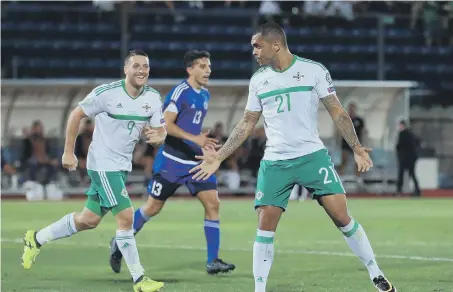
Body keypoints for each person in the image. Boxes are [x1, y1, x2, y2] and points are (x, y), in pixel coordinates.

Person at [190, 23, 396, 292]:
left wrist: (356, 147)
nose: (253, 51)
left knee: (342, 217)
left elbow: (338, 113)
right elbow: (246, 123)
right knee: (265, 224)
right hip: (276, 162)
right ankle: (259, 289)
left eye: (257, 45)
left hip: (312, 157)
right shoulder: (259, 80)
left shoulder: (313, 71)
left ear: (275, 45)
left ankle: (375, 273)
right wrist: (220, 155)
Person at [21, 50, 166, 292]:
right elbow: (76, 114)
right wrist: (68, 151)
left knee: (87, 220)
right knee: (126, 217)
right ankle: (140, 280)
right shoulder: (106, 93)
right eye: (137, 66)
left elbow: (160, 132)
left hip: (121, 166)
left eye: (146, 66)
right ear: (126, 69)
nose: (142, 70)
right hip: (102, 163)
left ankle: (35, 239)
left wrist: (158, 138)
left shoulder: (152, 98)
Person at [108, 50, 236, 275]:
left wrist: (202, 145)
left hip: (195, 162)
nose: (208, 70)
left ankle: (213, 260)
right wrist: (195, 138)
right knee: (152, 208)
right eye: (203, 66)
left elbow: (192, 128)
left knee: (213, 204)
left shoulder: (204, 94)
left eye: (209, 66)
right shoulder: (181, 92)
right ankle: (119, 241)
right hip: (172, 162)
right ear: (190, 69)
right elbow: (166, 125)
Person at [338, 102, 365, 182]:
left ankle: (357, 178)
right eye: (350, 108)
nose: (351, 110)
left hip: (356, 144)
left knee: (358, 161)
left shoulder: (359, 120)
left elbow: (363, 132)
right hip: (346, 143)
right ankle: (341, 178)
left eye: (353, 108)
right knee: (344, 160)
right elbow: (339, 131)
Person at [395, 120, 421, 197]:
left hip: (404, 158)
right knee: (412, 174)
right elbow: (418, 141)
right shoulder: (411, 134)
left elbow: (399, 146)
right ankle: (417, 190)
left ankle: (399, 191)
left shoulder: (402, 134)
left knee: (401, 174)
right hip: (412, 157)